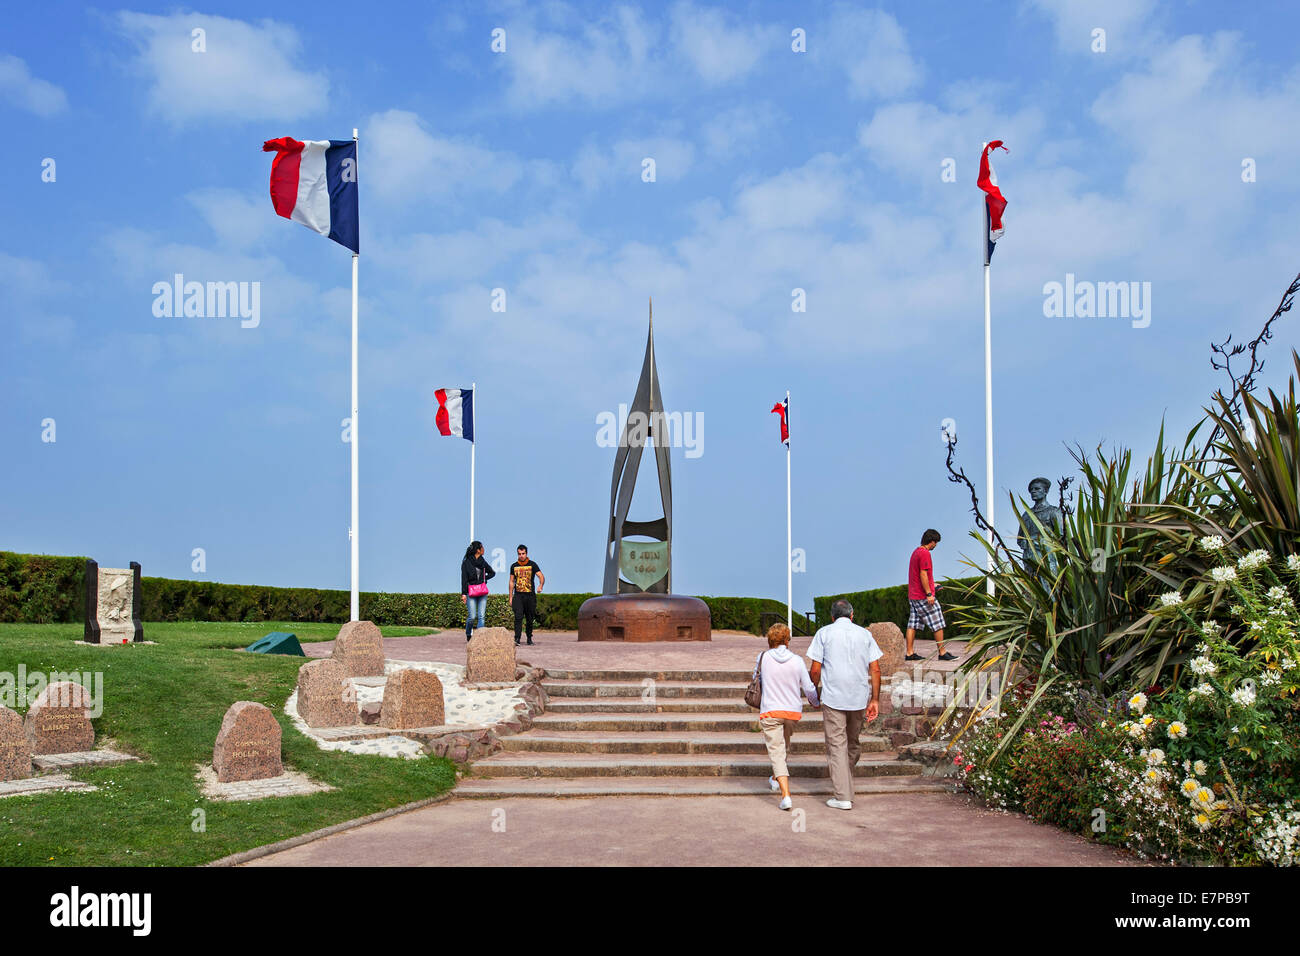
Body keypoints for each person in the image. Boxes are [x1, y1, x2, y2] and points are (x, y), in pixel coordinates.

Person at [807, 598, 882, 810]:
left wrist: (813, 689)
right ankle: (844, 787)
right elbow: (875, 669)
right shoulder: (865, 634)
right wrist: (875, 699)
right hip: (858, 697)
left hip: (833, 697)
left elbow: (815, 669)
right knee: (852, 742)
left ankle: (842, 797)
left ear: (832, 617)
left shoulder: (824, 633)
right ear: (852, 615)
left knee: (837, 745)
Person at [754, 622, 819, 811]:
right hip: (791, 712)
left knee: (776, 751)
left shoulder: (762, 657)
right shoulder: (797, 660)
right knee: (784, 747)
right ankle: (775, 778)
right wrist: (815, 702)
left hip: (770, 710)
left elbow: (754, 680)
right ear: (787, 639)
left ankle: (786, 796)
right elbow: (808, 687)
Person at [906, 529, 957, 662]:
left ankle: (909, 653)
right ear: (932, 541)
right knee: (938, 622)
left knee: (913, 624)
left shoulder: (916, 551)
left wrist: (932, 584)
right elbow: (923, 574)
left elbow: (919, 575)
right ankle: (942, 652)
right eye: (936, 543)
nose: (936, 545)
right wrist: (929, 593)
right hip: (923, 596)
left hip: (913, 595)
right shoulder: (925, 553)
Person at [508, 544, 544, 646]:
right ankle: (517, 638)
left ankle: (529, 638)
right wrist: (510, 597)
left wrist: (540, 585)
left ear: (526, 553)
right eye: (519, 554)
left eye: (523, 554)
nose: (521, 556)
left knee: (529, 618)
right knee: (518, 617)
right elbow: (511, 582)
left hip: (530, 596)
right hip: (518, 596)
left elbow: (541, 576)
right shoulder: (514, 566)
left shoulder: (533, 564)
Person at [460, 541, 495, 642]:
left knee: (481, 616)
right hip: (471, 592)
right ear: (478, 550)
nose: (484, 549)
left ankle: (480, 638)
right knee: (472, 616)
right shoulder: (466, 562)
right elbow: (464, 579)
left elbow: (492, 572)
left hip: (482, 592)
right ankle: (468, 633)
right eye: (482, 547)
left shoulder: (483, 561)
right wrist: (463, 594)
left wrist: (485, 578)